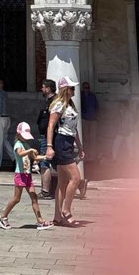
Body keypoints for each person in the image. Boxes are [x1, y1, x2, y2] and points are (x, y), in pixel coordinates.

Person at [45, 76, 85, 228]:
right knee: (76, 178)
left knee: (62, 183)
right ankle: (66, 211)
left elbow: (74, 130)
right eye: (71, 88)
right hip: (61, 142)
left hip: (68, 142)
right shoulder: (59, 105)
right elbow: (51, 125)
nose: (74, 90)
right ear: (65, 90)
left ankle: (57, 217)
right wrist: (49, 146)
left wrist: (80, 147)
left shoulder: (71, 105)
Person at [0, 121, 52, 229]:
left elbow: (35, 157)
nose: (26, 138)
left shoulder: (26, 144)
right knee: (17, 198)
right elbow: (20, 153)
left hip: (27, 175)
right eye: (24, 135)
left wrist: (45, 157)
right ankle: (3, 217)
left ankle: (40, 221)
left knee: (34, 197)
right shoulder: (18, 144)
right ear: (18, 134)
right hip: (20, 175)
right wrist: (30, 150)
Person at [37, 78, 57, 199]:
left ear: (48, 88)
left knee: (45, 162)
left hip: (49, 137)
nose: (42, 89)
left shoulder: (54, 102)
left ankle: (45, 191)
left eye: (43, 87)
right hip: (47, 136)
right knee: (58, 163)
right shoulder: (49, 101)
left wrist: (49, 143)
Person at [0, 77, 14, 170]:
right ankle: (15, 158)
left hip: (0, 118)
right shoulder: (5, 94)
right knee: (5, 140)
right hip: (7, 118)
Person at [80, 81, 99, 163]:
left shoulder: (92, 96)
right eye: (85, 88)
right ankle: (86, 155)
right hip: (85, 119)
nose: (87, 89)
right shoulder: (81, 96)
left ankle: (92, 156)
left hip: (93, 119)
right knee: (86, 138)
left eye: (88, 88)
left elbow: (96, 106)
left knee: (93, 138)